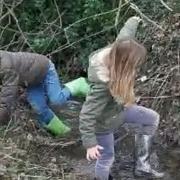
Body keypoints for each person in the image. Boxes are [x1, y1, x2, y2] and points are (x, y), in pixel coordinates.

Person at [79, 16, 164, 180]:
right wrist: (90, 144)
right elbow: (86, 115)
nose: (137, 67)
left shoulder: (119, 48)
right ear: (124, 64)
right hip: (103, 124)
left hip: (119, 111)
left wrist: (133, 20)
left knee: (152, 118)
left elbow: (126, 34)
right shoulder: (102, 85)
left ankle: (142, 167)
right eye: (135, 64)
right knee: (106, 158)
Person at [0, 51, 89, 136]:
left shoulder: (6, 67)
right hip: (32, 80)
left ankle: (79, 84)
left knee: (56, 100)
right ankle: (63, 132)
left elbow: (7, 96)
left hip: (45, 69)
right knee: (40, 109)